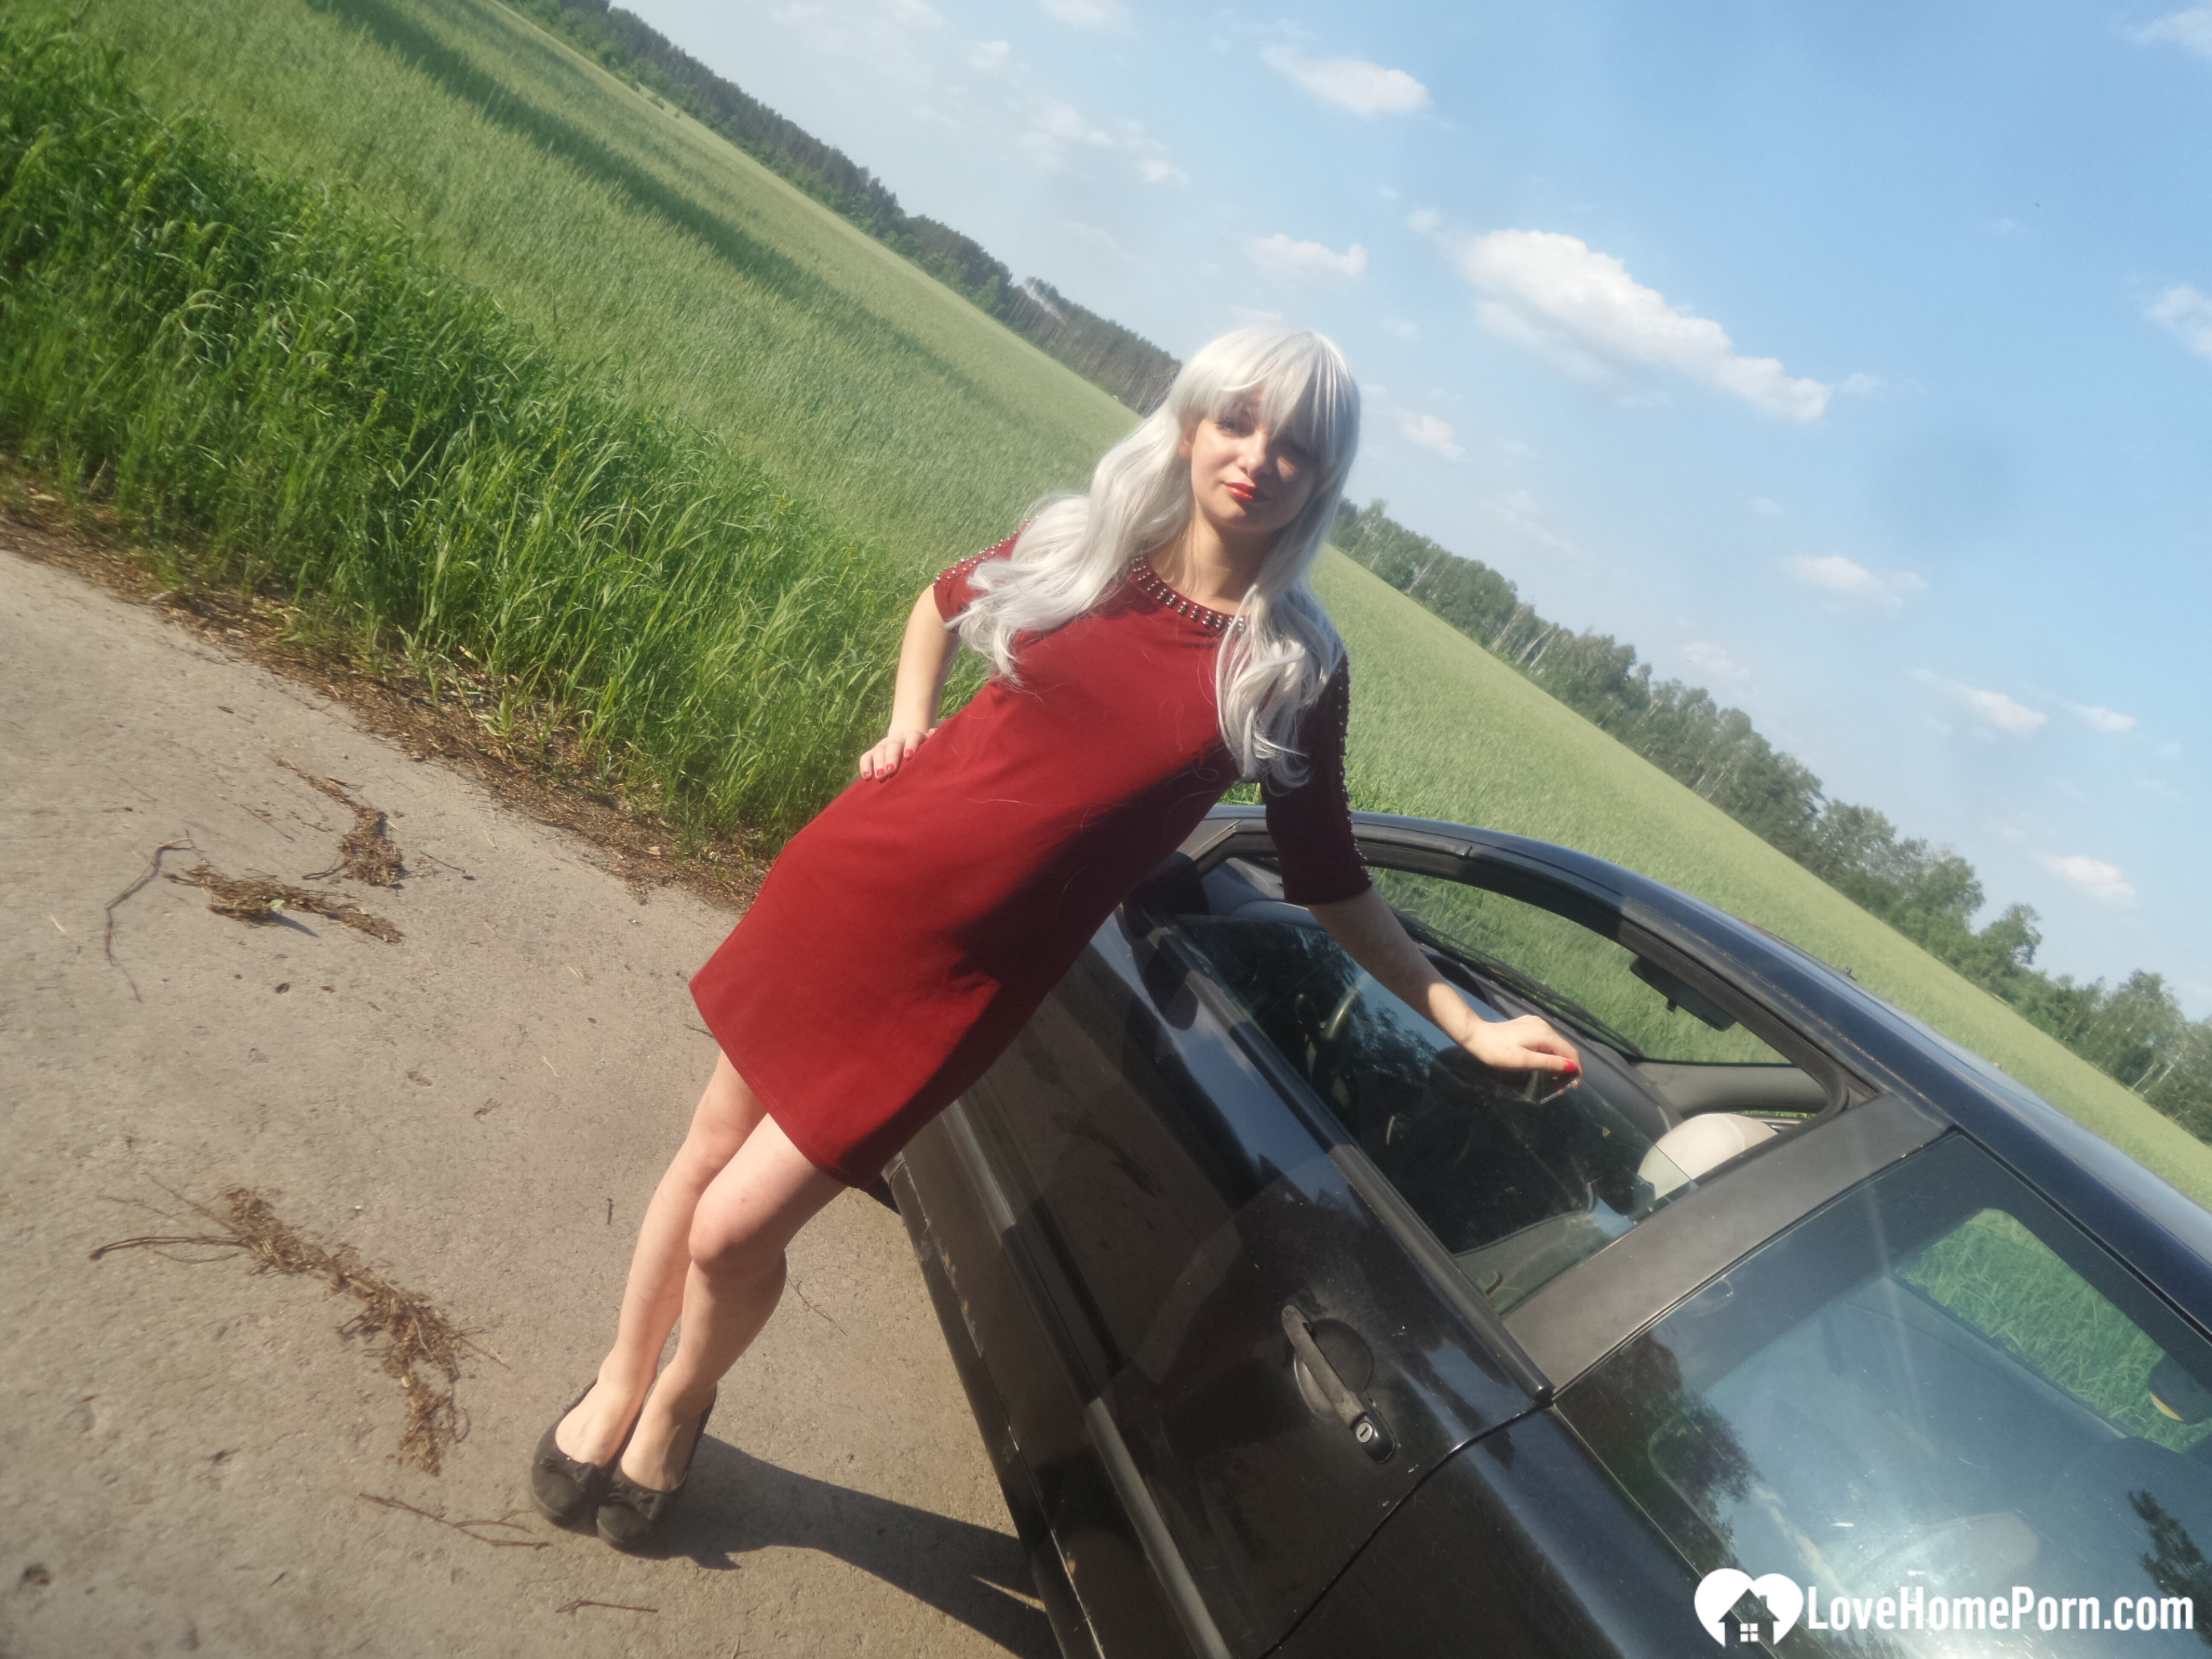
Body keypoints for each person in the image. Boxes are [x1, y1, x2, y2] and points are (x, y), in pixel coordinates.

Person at [528, 323, 1582, 1549]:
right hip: (850, 889)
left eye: (1296, 445)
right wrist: (907, 726)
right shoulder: (1089, 548)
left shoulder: (1288, 667)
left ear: (1324, 478)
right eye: (1237, 421)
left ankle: (680, 1402)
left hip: (959, 981)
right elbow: (939, 603)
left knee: (734, 1229)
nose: (1258, 458)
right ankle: (620, 1382)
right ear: (1190, 426)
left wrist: (1462, 1018)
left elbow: (1329, 874)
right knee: (708, 1150)